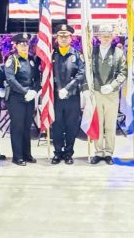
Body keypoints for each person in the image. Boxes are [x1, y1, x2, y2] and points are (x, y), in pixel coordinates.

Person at [87, 24, 127, 165]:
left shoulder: (118, 53)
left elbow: (123, 72)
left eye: (108, 36)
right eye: (103, 35)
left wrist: (113, 85)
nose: (106, 38)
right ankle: (98, 152)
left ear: (112, 37)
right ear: (98, 37)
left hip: (111, 94)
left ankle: (109, 152)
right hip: (96, 93)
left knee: (110, 125)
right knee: (98, 123)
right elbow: (87, 71)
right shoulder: (92, 52)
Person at [50, 24, 86, 164]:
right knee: (57, 126)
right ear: (57, 38)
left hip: (72, 97)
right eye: (61, 36)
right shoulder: (52, 55)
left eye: (66, 36)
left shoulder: (77, 55)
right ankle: (57, 153)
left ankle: (68, 153)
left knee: (72, 126)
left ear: (71, 38)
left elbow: (81, 73)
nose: (63, 38)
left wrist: (68, 89)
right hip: (56, 97)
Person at [4, 32, 39, 166]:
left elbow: (37, 78)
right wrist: (25, 91)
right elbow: (10, 79)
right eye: (21, 44)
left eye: (26, 44)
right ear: (16, 45)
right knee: (17, 126)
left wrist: (34, 91)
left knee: (26, 126)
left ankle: (27, 154)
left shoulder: (31, 59)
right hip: (16, 98)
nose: (24, 46)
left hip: (29, 97)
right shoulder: (12, 60)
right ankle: (17, 156)